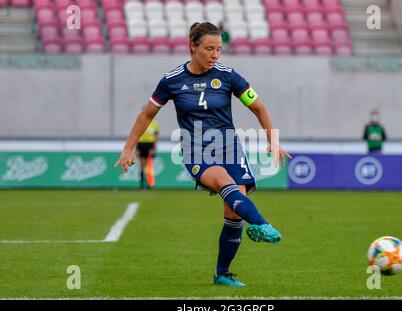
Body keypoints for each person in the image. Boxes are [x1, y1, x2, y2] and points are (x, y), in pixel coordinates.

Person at [115, 22, 291, 287]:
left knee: (233, 214)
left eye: (219, 49)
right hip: (197, 151)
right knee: (225, 184)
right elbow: (147, 115)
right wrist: (128, 147)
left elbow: (259, 108)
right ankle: (264, 225)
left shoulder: (228, 75)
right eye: (209, 49)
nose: (215, 55)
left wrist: (273, 140)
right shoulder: (172, 80)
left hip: (230, 148)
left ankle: (222, 273)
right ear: (193, 46)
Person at [136, 118, 159, 189]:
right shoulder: (140, 122)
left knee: (149, 165)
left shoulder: (154, 123)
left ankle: (149, 183)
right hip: (141, 144)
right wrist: (137, 148)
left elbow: (156, 136)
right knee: (142, 165)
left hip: (150, 144)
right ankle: (142, 183)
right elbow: (136, 135)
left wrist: (154, 147)